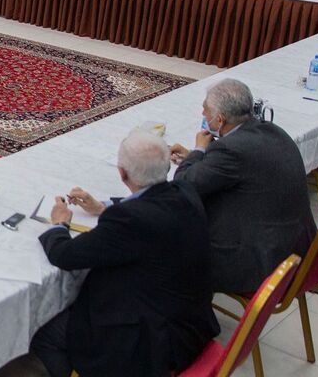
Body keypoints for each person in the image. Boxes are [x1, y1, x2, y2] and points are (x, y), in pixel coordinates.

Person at [30, 129, 218, 377]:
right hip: (190, 326)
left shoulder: (129, 219)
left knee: (44, 333)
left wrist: (59, 225)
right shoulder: (184, 191)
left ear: (122, 173)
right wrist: (103, 206)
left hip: (150, 344)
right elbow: (150, 202)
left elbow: (66, 255)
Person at [169, 78, 316, 294]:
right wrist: (197, 157)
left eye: (205, 110)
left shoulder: (231, 150)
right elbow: (241, 167)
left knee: (173, 236)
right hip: (296, 249)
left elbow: (183, 184)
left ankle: (188, 313)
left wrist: (199, 150)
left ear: (220, 120)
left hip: (262, 262)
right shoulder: (273, 131)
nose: (203, 114)